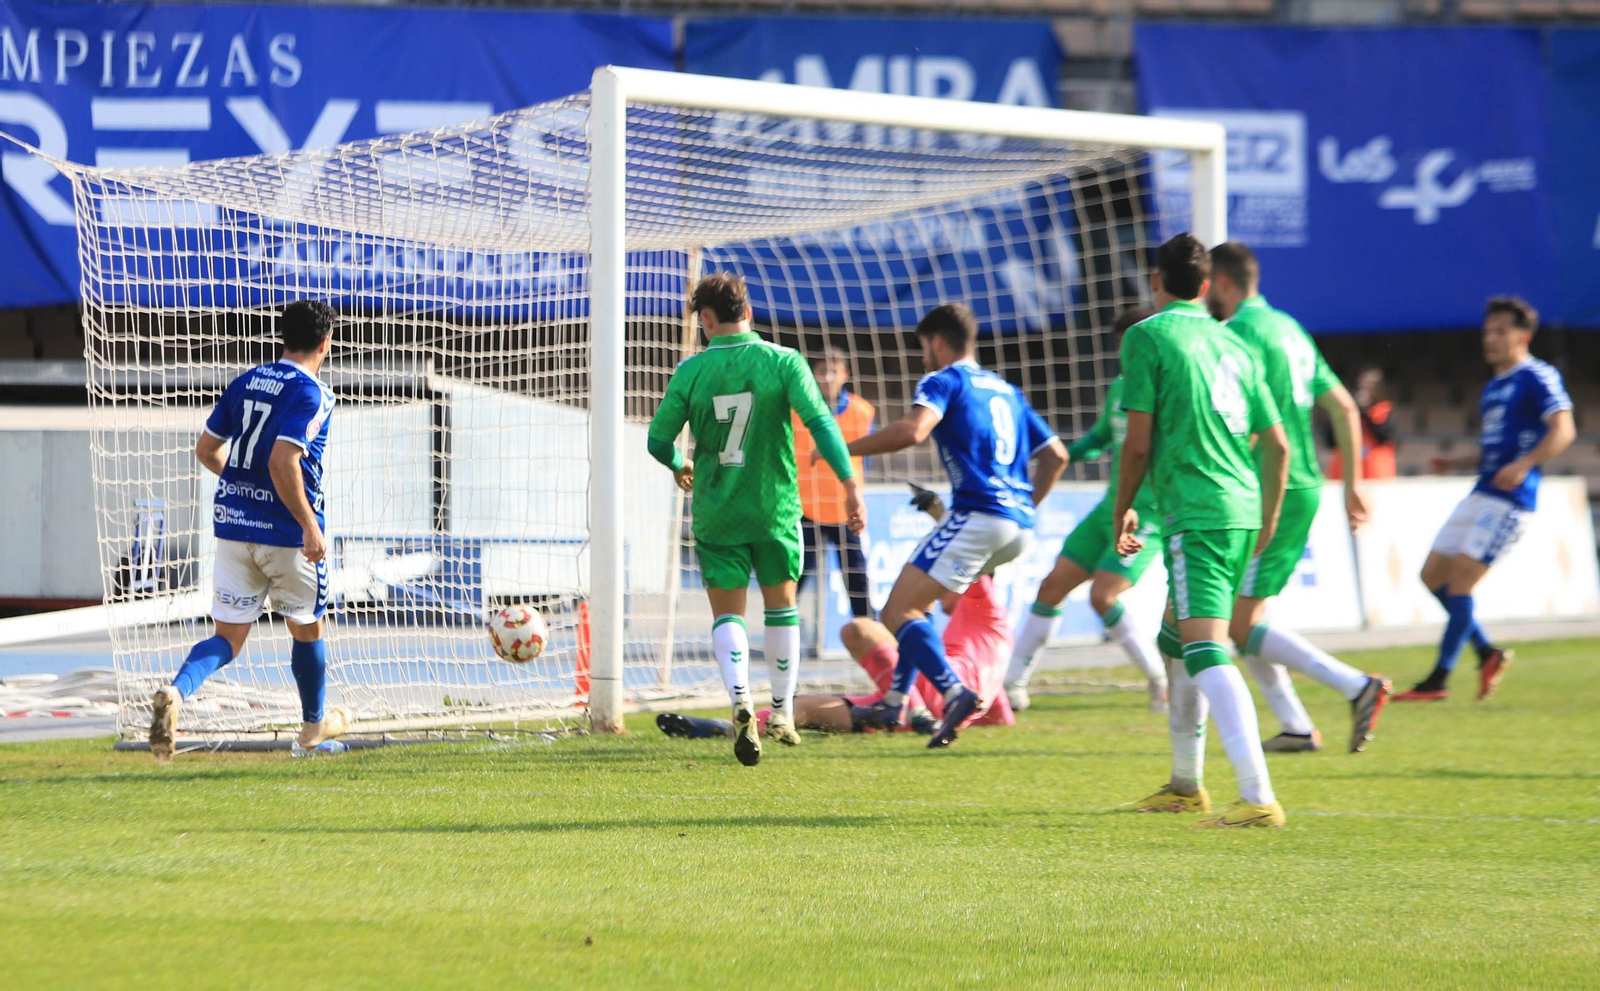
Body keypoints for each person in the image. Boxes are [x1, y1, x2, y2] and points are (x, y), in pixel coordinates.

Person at [646, 272, 865, 766]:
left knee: (729, 614)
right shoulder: (784, 361)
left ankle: (740, 698)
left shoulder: (692, 372)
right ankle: (782, 712)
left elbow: (657, 441)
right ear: (747, 308)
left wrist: (680, 465)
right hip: (775, 508)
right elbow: (821, 423)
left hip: (718, 510)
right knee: (781, 607)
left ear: (706, 319)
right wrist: (851, 485)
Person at [832, 302, 1068, 749]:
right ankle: (897, 698)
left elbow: (912, 431)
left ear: (938, 342)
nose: (923, 358)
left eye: (924, 348)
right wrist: (1023, 508)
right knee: (913, 608)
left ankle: (955, 692)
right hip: (1018, 526)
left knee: (895, 612)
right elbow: (1057, 455)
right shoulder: (1006, 390)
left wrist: (843, 450)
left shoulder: (946, 380)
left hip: (978, 514)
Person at [1114, 233, 1287, 828]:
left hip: (1200, 512)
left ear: (1156, 282)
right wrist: (1265, 517)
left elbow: (1136, 443)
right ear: (1208, 286)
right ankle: (1186, 784)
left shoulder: (1148, 336)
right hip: (1240, 508)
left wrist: (1123, 509)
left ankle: (1259, 798)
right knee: (1175, 639)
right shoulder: (1234, 341)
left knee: (1208, 645)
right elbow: (1278, 441)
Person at [1207, 241, 1392, 755]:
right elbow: (1345, 409)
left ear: (1221, 284)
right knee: (1245, 617)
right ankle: (1294, 725)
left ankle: (1356, 686)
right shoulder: (1290, 329)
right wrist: (1351, 481)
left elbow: (1241, 420)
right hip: (1300, 485)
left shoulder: (1237, 333)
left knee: (1237, 622)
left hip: (1271, 489)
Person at [148, 300, 348, 762]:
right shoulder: (315, 393)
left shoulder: (246, 381)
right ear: (325, 343)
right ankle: (312, 730)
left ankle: (175, 694)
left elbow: (206, 449)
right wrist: (308, 525)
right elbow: (283, 460)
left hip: (234, 529)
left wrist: (243, 489)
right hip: (284, 536)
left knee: (229, 638)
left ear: (282, 337)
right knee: (306, 626)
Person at [657, 490, 1016, 741]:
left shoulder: (986, 604)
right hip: (933, 710)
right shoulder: (994, 642)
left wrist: (938, 512)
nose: (937, 590)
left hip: (930, 691)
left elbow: (971, 558)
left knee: (860, 628)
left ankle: (911, 707)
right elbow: (999, 714)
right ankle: (724, 727)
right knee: (800, 711)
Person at [1395, 296, 1574, 702]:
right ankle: (1486, 651)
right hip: (1482, 490)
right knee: (1431, 574)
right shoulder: (1494, 387)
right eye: (1487, 332)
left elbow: (1563, 430)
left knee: (1461, 577)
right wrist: (1456, 461)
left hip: (1511, 499)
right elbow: (1496, 450)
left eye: (1500, 332)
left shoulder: (1537, 376)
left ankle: (1438, 679)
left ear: (1523, 335)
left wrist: (1526, 464)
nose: (1490, 339)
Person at [1005, 307, 1168, 715]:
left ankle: (1159, 680)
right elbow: (1099, 439)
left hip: (1146, 514)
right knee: (1052, 587)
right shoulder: (1120, 389)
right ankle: (1012, 685)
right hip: (1108, 510)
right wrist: (1055, 455)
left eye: (1129, 343)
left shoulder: (1167, 392)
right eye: (1121, 345)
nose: (1124, 353)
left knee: (1103, 595)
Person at [793, 348, 876, 621]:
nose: (827, 377)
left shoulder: (863, 411)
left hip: (845, 509)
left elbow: (868, 458)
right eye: (821, 371)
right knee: (794, 576)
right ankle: (782, 630)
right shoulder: (797, 410)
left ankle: (869, 633)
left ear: (845, 375)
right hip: (806, 508)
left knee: (856, 579)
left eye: (833, 371)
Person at [1327, 366, 1397, 481]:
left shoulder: (1384, 410)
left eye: (1369, 386)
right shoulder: (1347, 411)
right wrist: (1350, 411)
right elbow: (1330, 440)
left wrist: (1365, 413)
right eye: (1362, 385)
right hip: (1345, 473)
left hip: (1376, 473)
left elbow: (1383, 438)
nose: (1365, 390)